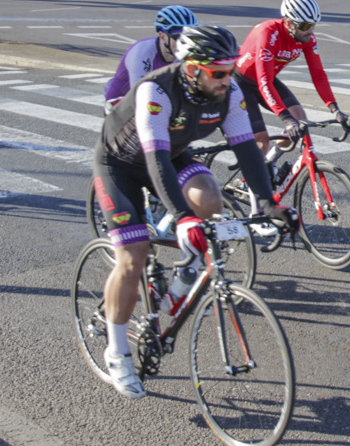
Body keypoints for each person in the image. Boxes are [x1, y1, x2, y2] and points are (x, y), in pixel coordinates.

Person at [91, 25, 297, 398]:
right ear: (191, 69)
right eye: (218, 72)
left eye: (231, 69)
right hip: (121, 165)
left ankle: (182, 279)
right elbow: (154, 159)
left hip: (170, 157)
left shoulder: (228, 91)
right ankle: (117, 350)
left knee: (211, 200)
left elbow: (246, 149)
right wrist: (183, 218)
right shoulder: (156, 90)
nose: (228, 79)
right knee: (133, 257)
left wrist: (268, 202)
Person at [233, 0, 350, 155]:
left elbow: (318, 74)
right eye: (305, 26)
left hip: (266, 79)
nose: (310, 31)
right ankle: (247, 180)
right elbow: (264, 82)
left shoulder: (307, 38)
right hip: (242, 83)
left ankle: (270, 163)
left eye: (313, 25)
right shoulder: (268, 34)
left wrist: (335, 110)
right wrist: (286, 119)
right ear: (289, 23)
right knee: (262, 140)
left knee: (299, 119)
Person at [103, 5, 198, 110]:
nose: (185, 43)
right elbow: (141, 96)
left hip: (156, 101)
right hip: (122, 104)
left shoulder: (185, 54)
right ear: (162, 36)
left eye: (189, 37)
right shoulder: (142, 52)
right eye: (178, 37)